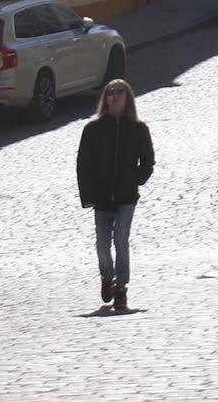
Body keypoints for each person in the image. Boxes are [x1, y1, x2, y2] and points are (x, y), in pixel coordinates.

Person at [75, 78, 153, 311]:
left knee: (120, 239)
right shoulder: (93, 129)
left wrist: (135, 180)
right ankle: (106, 278)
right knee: (101, 243)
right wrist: (87, 194)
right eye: (111, 92)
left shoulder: (139, 128)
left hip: (127, 196)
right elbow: (83, 164)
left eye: (120, 92)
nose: (115, 96)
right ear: (105, 99)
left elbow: (148, 162)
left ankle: (121, 288)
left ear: (128, 98)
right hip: (101, 196)